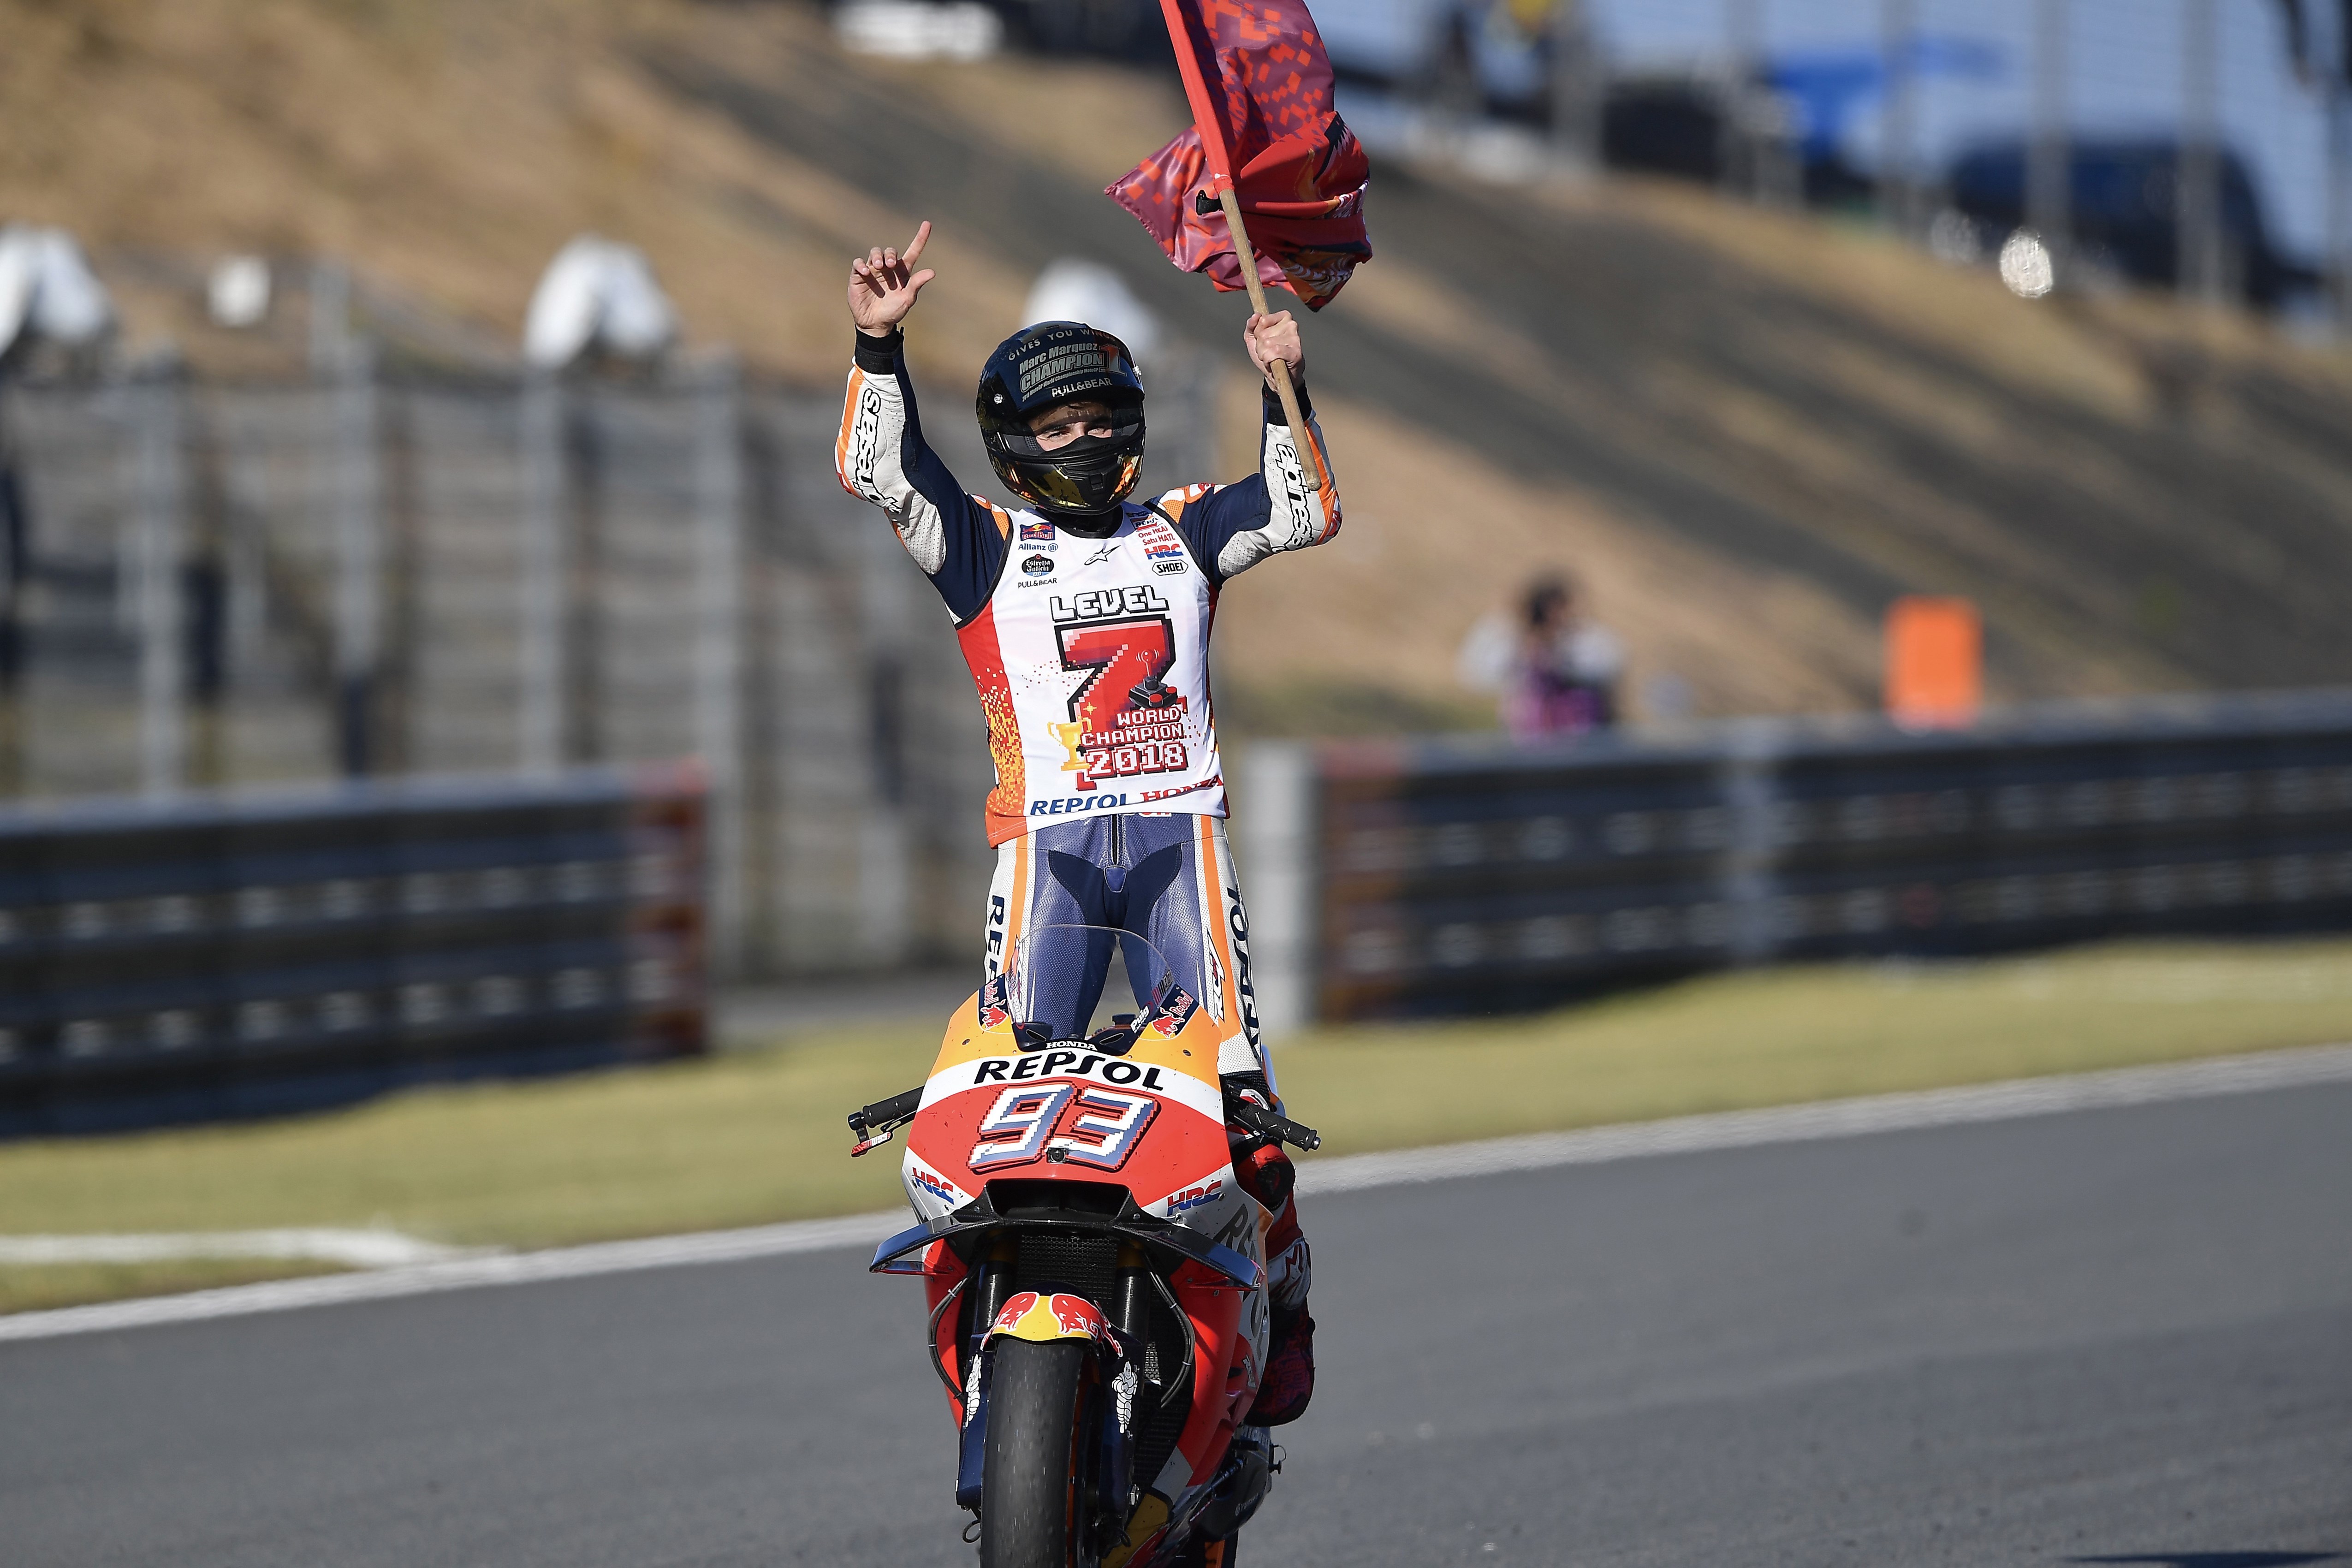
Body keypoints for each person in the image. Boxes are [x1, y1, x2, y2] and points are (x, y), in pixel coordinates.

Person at [835, 220, 1332, 1431]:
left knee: (1243, 1115)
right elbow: (879, 470)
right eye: (1055, 427)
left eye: (1100, 416)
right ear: (1013, 447)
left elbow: (1303, 505)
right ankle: (1000, 1350)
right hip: (1046, 853)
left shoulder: (1186, 529)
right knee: (1001, 1116)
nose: (1083, 440)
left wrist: (1285, 381)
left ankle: (1283, 1320)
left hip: (1180, 846)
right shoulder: (986, 552)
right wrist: (877, 341)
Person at [1457, 572, 1623, 740]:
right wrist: (1522, 651)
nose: (1554, 617)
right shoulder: (1512, 640)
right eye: (1547, 612)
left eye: (1560, 609)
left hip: (1583, 733)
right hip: (1528, 737)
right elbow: (1478, 674)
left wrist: (1562, 660)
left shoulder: (1585, 637)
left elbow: (1608, 667)